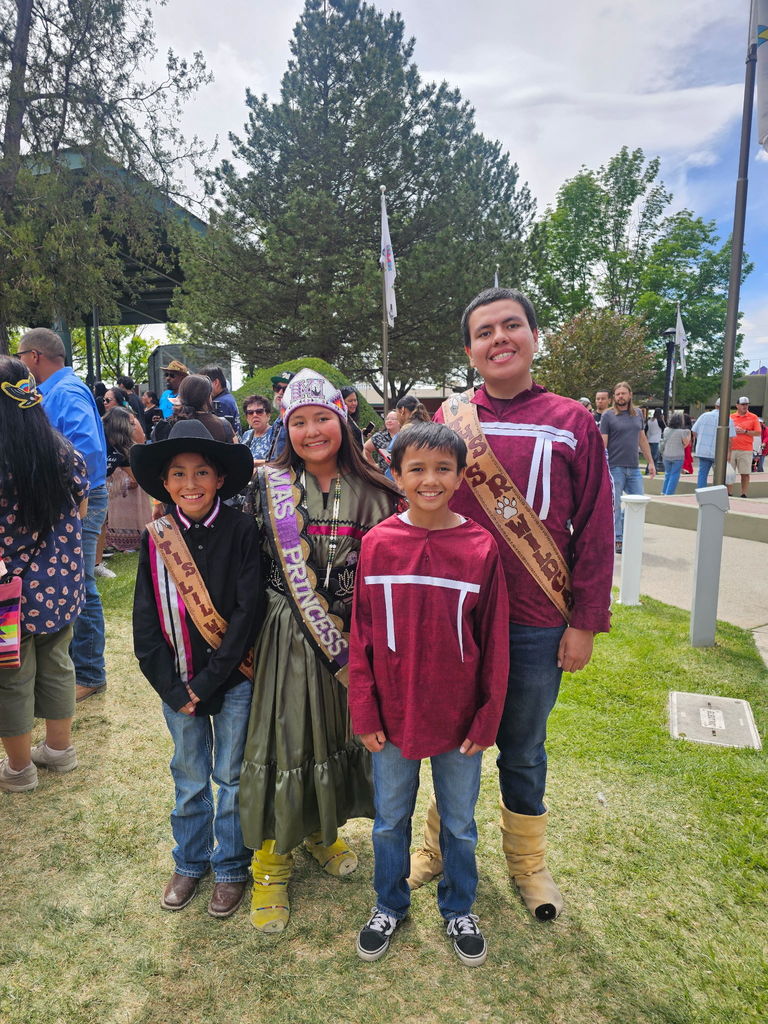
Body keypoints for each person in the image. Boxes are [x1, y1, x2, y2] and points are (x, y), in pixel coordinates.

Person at [410, 287, 614, 923]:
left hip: (535, 617)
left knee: (523, 745)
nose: (499, 339)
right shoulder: (449, 419)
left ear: (532, 335)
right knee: (451, 736)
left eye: (511, 326)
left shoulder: (574, 420)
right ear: (469, 349)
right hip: (458, 613)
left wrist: (584, 621)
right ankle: (439, 845)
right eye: (484, 332)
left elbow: (597, 527)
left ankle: (528, 865)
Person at [239, 368, 400, 934]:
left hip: (353, 639)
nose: (312, 431)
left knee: (331, 736)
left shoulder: (380, 491)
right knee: (284, 742)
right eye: (299, 421)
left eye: (323, 418)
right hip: (285, 632)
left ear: (344, 420)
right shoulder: (265, 486)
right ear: (286, 427)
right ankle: (269, 864)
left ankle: (318, 832)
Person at [349, 421, 509, 966]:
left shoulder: (481, 547)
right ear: (396, 475)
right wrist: (363, 708)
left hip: (459, 718)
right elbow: (362, 635)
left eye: (443, 468)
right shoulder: (377, 544)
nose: (430, 479)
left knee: (460, 823)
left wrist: (487, 718)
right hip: (390, 716)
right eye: (416, 468)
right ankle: (388, 903)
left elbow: (493, 643)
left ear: (462, 476)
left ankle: (459, 904)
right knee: (390, 820)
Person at [131, 420, 263, 918]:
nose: (191, 483)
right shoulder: (155, 538)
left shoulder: (241, 529)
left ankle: (230, 866)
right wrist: (171, 687)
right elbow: (145, 618)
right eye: (179, 473)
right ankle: (189, 861)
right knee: (189, 777)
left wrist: (207, 682)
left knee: (230, 777)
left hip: (232, 680)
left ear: (220, 479)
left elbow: (248, 613)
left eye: (202, 472)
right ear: (165, 483)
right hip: (176, 683)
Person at [0, 357, 87, 792]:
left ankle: (19, 770)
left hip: (6, 593)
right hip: (61, 581)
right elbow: (81, 507)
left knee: (10, 676)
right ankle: (59, 750)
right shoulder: (62, 450)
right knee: (57, 662)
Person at [18, 328, 109, 703]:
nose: (20, 362)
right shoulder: (56, 389)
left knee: (81, 582)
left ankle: (90, 673)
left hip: (78, 501)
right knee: (72, 580)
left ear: (35, 356)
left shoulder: (65, 391)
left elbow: (85, 452)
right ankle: (76, 666)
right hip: (69, 500)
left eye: (20, 355)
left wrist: (66, 499)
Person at [600, 381, 656, 554]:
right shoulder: (608, 416)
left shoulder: (638, 413)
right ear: (614, 397)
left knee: (637, 504)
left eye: (623, 393)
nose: (620, 397)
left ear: (630, 395)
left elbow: (642, 439)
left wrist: (651, 462)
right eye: (617, 394)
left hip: (633, 469)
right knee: (615, 506)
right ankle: (618, 539)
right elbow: (603, 444)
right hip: (614, 467)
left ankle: (626, 533)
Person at [102, 406, 151, 552]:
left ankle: (96, 562)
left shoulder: (120, 447)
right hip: (84, 485)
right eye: (131, 423)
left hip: (97, 489)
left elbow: (137, 478)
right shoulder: (99, 439)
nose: (134, 427)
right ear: (120, 424)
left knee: (100, 521)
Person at [152, 375, 235, 444]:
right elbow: (236, 456)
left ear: (182, 395)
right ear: (207, 397)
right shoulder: (223, 425)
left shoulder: (164, 426)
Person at [691, 400, 734, 489]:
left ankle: (701, 493)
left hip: (703, 451)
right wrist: (729, 453)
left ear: (715, 406)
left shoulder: (704, 416)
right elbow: (730, 439)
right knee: (719, 476)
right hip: (719, 452)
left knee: (702, 474)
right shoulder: (728, 419)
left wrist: (701, 439)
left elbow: (694, 431)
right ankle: (717, 493)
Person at [729, 397, 761, 498]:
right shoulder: (731, 417)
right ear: (737, 405)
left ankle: (744, 493)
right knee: (729, 473)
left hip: (746, 449)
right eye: (743, 404)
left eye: (746, 404)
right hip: (731, 449)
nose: (745, 406)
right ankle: (729, 493)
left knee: (745, 473)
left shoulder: (753, 417)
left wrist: (745, 431)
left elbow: (758, 432)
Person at [199, 365, 241, 435]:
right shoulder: (227, 398)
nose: (201, 388)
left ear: (216, 382)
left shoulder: (220, 403)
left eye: (204, 383)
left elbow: (218, 433)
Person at [263, 371, 294, 460]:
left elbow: (284, 461)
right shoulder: (277, 421)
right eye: (277, 387)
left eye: (286, 389)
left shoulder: (292, 421)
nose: (280, 392)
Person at [659, 414, 691, 496]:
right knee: (674, 475)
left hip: (666, 456)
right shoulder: (682, 432)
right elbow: (686, 444)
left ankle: (663, 491)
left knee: (667, 474)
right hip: (678, 456)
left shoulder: (666, 430)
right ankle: (669, 494)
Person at [240, 395, 275, 464]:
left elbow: (280, 463)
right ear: (246, 417)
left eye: (259, 411)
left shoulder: (276, 434)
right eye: (250, 413)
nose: (255, 415)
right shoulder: (246, 435)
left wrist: (254, 464)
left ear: (268, 415)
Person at [645, 409, 665, 473]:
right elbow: (665, 427)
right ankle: (652, 470)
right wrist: (663, 419)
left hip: (649, 440)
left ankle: (649, 469)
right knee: (655, 457)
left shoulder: (649, 420)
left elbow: (646, 430)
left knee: (651, 456)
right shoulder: (659, 421)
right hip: (656, 440)